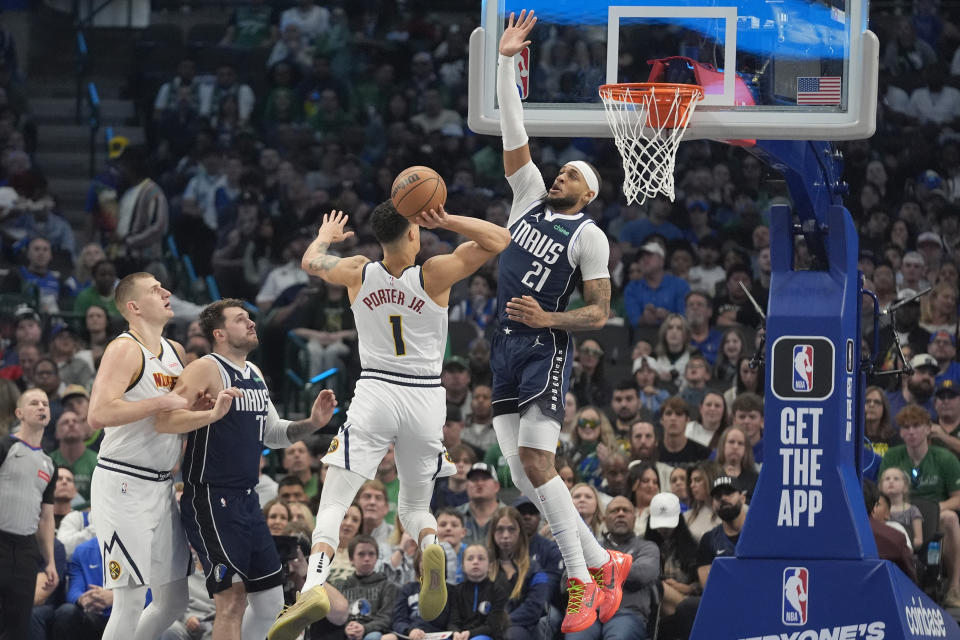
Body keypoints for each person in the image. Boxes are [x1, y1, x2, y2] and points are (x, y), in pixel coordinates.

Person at [270, 203, 511, 640]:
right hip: (424, 396)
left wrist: (326, 235)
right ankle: (432, 547)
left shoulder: (359, 271)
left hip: (376, 391)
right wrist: (447, 219)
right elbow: (499, 240)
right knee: (415, 507)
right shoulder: (435, 272)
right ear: (415, 234)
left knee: (334, 502)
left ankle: (312, 586)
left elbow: (309, 261)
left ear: (379, 237)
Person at [491, 12, 630, 634]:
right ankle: (605, 559)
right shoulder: (525, 199)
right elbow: (513, 129)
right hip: (502, 346)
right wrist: (503, 61)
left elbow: (600, 313)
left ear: (589, 192)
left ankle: (581, 576)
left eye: (571, 174)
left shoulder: (590, 235)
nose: (558, 175)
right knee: (519, 471)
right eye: (560, 170)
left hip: (545, 345)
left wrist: (549, 315)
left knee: (537, 463)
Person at [154, 299, 338, 640]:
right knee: (232, 601)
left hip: (247, 499)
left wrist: (312, 423)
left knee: (270, 602)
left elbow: (272, 434)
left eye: (250, 318)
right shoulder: (205, 368)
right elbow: (165, 419)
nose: (251, 323)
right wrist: (209, 415)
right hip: (211, 496)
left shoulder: (254, 374)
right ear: (220, 333)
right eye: (241, 319)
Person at [86, 272, 198, 640]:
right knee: (130, 601)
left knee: (174, 601)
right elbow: (98, 414)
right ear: (133, 307)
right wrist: (161, 402)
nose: (166, 291)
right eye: (155, 290)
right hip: (123, 482)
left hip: (163, 485)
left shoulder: (177, 352)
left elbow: (175, 413)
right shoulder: (124, 348)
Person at [879, 405, 960, 607]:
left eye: (916, 426)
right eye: (906, 427)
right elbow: (882, 493)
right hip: (897, 511)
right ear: (900, 432)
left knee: (951, 518)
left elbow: (958, 497)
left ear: (928, 429)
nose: (911, 432)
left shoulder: (944, 458)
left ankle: (954, 588)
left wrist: (931, 511)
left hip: (936, 514)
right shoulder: (892, 456)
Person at [0, 388, 58, 640]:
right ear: (19, 413)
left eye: (45, 403)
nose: (42, 407)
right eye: (34, 403)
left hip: (25, 550)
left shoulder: (49, 464)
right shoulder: (5, 445)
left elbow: (46, 517)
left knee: (19, 627)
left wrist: (51, 561)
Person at [566, 496, 660, 640]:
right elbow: (569, 577)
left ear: (634, 519)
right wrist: (622, 568)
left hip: (627, 613)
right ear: (604, 519)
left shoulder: (647, 547)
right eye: (614, 511)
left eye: (626, 510)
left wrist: (597, 566)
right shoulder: (590, 546)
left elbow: (642, 574)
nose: (620, 513)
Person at [447, 544, 510, 640]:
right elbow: (453, 621)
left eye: (481, 558)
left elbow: (493, 625)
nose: (475, 562)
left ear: (490, 566)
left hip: (487, 636)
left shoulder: (497, 591)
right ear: (463, 566)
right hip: (461, 636)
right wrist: (455, 632)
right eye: (470, 558)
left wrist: (470, 633)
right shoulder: (456, 591)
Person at [695, 476, 748, 589]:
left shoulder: (760, 533)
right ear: (713, 504)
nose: (723, 498)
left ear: (742, 498)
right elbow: (708, 587)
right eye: (718, 496)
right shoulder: (708, 540)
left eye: (729, 493)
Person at [880, 467, 924, 550]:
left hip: (905, 552)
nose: (891, 481)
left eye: (896, 479)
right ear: (881, 486)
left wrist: (901, 545)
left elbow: (919, 540)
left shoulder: (913, 511)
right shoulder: (877, 510)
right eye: (887, 479)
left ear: (905, 487)